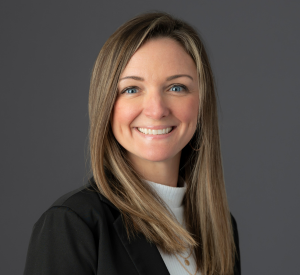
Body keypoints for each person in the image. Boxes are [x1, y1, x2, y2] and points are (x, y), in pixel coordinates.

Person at [24, 11, 241, 275]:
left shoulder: (221, 227)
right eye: (131, 89)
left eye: (176, 87)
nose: (156, 110)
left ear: (202, 103)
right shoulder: (74, 224)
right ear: (106, 105)